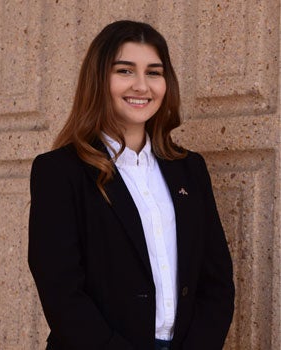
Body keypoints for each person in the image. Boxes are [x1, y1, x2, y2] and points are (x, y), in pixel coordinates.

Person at [28, 20, 235, 350]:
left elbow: (217, 282)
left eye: (154, 72)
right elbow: (61, 290)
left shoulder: (190, 169)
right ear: (98, 80)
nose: (142, 85)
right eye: (125, 71)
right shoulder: (59, 172)